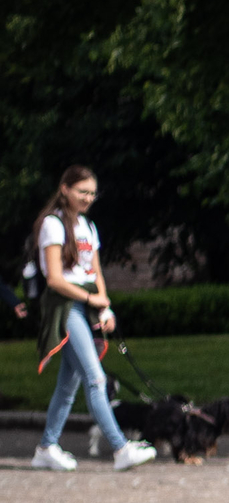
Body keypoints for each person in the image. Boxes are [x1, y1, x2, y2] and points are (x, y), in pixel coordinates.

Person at [29, 166, 153, 472]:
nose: (88, 198)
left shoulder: (87, 225)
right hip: (65, 307)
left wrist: (104, 307)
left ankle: (46, 447)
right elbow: (55, 279)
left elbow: (95, 272)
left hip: (85, 307)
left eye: (92, 193)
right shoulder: (52, 224)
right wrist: (90, 299)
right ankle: (120, 448)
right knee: (96, 379)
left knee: (68, 386)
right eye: (82, 191)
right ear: (65, 189)